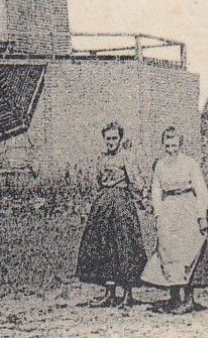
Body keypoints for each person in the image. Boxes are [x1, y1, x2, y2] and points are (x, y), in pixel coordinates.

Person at [75, 122, 147, 307]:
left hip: (122, 205)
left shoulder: (126, 157)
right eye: (108, 139)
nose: (111, 142)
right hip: (104, 205)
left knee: (125, 246)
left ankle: (127, 294)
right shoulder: (101, 159)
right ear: (104, 139)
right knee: (104, 246)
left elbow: (135, 182)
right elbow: (97, 182)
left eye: (114, 138)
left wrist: (142, 198)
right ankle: (109, 293)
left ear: (120, 139)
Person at [141, 125, 208, 314]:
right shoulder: (160, 165)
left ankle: (187, 298)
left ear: (180, 144)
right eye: (168, 146)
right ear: (163, 145)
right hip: (168, 209)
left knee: (187, 253)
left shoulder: (190, 164)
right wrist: (158, 214)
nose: (171, 150)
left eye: (174, 145)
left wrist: (201, 214)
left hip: (187, 208)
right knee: (168, 252)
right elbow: (156, 191)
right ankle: (173, 297)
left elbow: (201, 190)